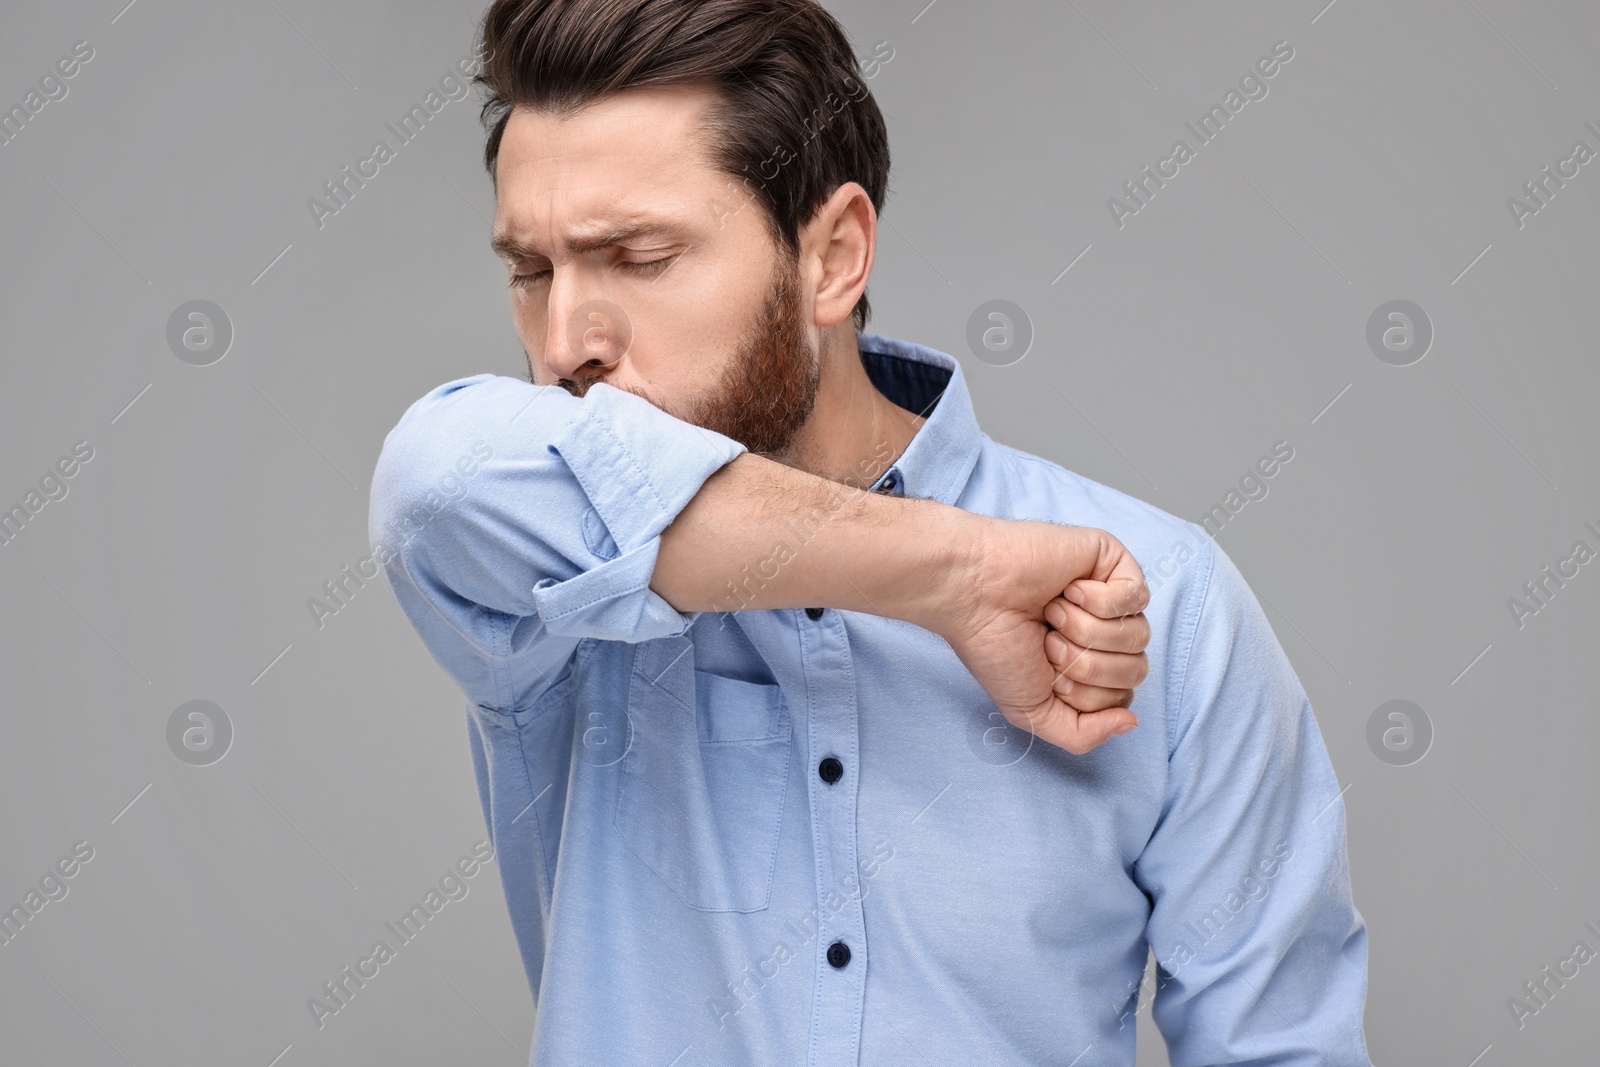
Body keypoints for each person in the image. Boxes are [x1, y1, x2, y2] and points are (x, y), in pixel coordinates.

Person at [367, 1, 1372, 1063]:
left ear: (833, 256)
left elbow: (1282, 1046)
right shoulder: (548, 588)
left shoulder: (1164, 599)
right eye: (532, 271)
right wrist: (955, 575)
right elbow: (432, 480)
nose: (566, 341)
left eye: (639, 255)